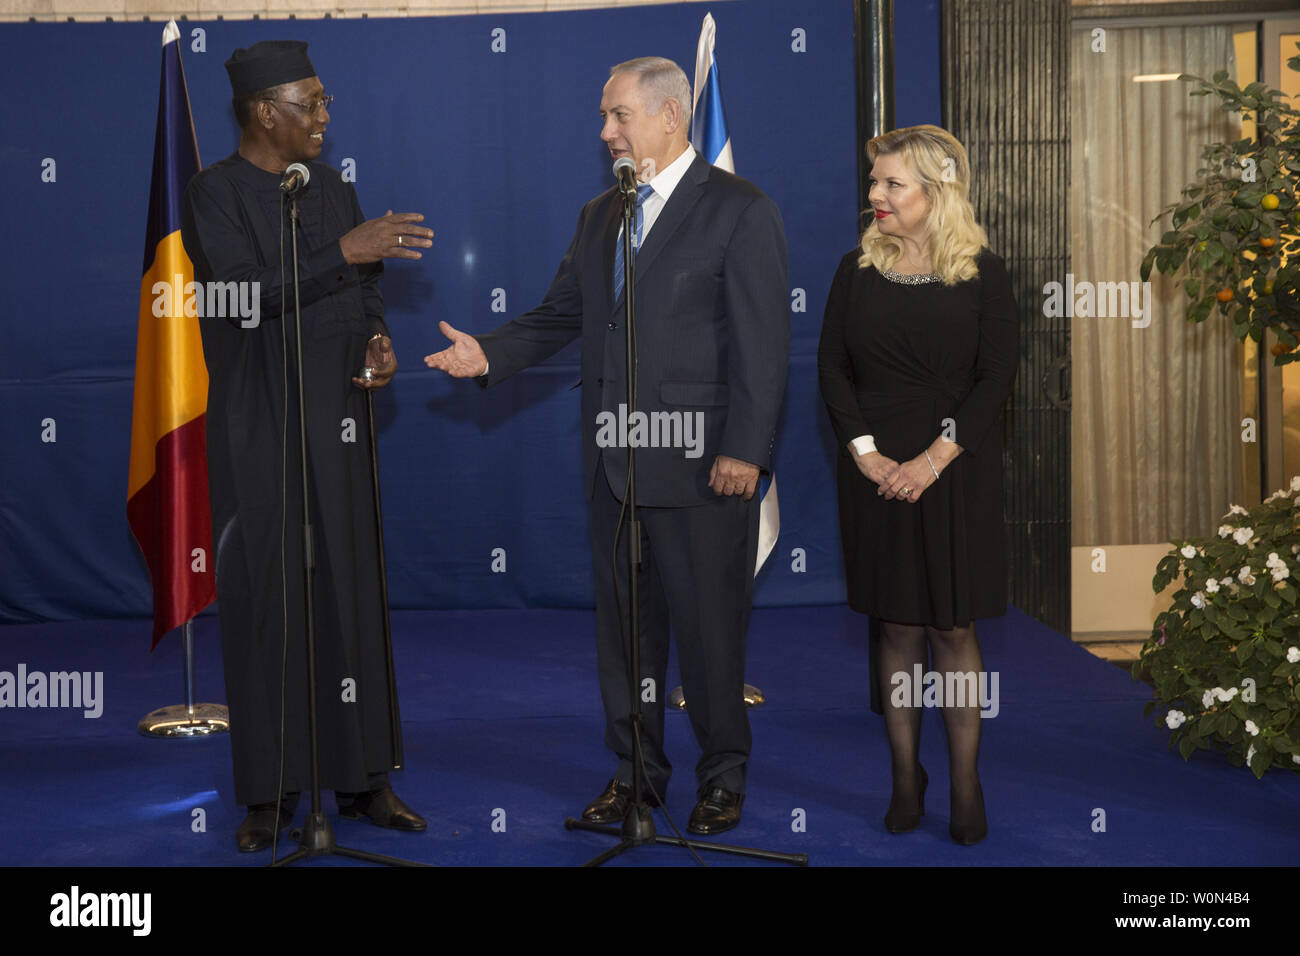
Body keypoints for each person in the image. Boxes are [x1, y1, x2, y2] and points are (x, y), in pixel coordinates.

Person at [424, 57, 788, 836]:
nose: (606, 131)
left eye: (618, 115)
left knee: (710, 635)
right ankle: (635, 778)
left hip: (703, 467)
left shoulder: (738, 208)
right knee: (627, 641)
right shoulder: (601, 215)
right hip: (615, 471)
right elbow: (561, 316)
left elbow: (763, 344)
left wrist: (746, 451)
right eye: (605, 116)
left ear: (669, 116)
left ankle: (723, 776)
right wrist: (488, 353)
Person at [180, 40, 434, 852]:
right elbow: (240, 296)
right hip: (259, 421)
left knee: (351, 588)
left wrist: (377, 340)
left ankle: (364, 779)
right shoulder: (213, 193)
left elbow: (361, 291)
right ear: (265, 112)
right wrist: (344, 254)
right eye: (311, 104)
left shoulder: (332, 186)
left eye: (325, 103)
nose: (325, 117)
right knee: (268, 601)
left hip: (340, 420)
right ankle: (270, 790)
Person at [817, 125, 1018, 846]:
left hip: (955, 470)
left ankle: (965, 780)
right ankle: (907, 775)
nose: (875, 195)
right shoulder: (854, 270)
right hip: (875, 474)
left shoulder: (983, 273)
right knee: (897, 625)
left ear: (939, 193)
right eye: (874, 182)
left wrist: (934, 460)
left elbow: (996, 378)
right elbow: (832, 370)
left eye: (891, 184)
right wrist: (868, 455)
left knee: (952, 626)